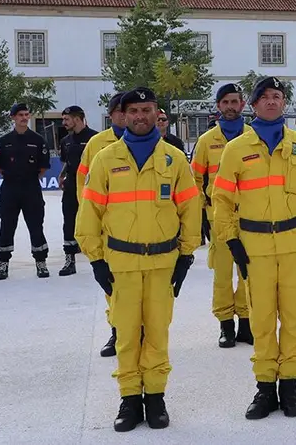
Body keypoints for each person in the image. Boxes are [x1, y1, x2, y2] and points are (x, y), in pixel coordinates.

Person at [76, 87, 202, 432]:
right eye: (134, 110)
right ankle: (130, 398)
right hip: (122, 263)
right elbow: (89, 213)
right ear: (123, 115)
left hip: (163, 262)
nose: (141, 116)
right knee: (128, 334)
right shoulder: (105, 159)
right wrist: (96, 260)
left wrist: (186, 255)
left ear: (156, 112)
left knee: (158, 332)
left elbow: (190, 208)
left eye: (147, 109)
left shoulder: (174, 159)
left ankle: (156, 398)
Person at [211, 77, 296, 420]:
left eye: (277, 97)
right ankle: (265, 388)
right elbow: (221, 197)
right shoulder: (236, 148)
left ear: (284, 104)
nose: (271, 102)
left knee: (294, 317)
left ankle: (290, 387)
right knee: (262, 319)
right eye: (264, 97)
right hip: (255, 247)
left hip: (294, 245)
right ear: (252, 105)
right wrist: (230, 238)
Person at [189, 83, 254, 349]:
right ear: (218, 106)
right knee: (223, 274)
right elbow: (195, 179)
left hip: (251, 217)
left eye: (234, 102)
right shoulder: (206, 141)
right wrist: (202, 213)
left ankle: (247, 324)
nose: (230, 107)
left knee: (249, 272)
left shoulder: (252, 135)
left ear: (242, 105)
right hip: (220, 219)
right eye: (225, 102)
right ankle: (226, 325)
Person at [78, 92, 129, 357]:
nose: (124, 115)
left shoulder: (151, 140)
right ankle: (118, 331)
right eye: (119, 111)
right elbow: (83, 188)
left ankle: (140, 331)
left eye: (128, 110)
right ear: (111, 115)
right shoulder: (96, 145)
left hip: (143, 228)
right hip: (109, 230)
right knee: (113, 286)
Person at [0, 103, 52, 279]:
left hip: (31, 188)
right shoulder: (3, 141)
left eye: (27, 114)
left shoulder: (38, 140)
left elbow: (43, 167)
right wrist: (14, 178)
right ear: (13, 117)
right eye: (20, 115)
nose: (24, 118)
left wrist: (28, 180)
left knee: (36, 226)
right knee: (6, 226)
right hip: (10, 188)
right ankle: (3, 263)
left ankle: (41, 262)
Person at [57, 105, 97, 277]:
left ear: (77, 118)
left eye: (67, 119)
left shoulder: (95, 139)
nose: (64, 122)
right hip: (72, 184)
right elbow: (66, 161)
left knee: (96, 220)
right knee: (69, 220)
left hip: (92, 184)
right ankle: (70, 259)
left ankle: (103, 257)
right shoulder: (66, 140)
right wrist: (61, 175)